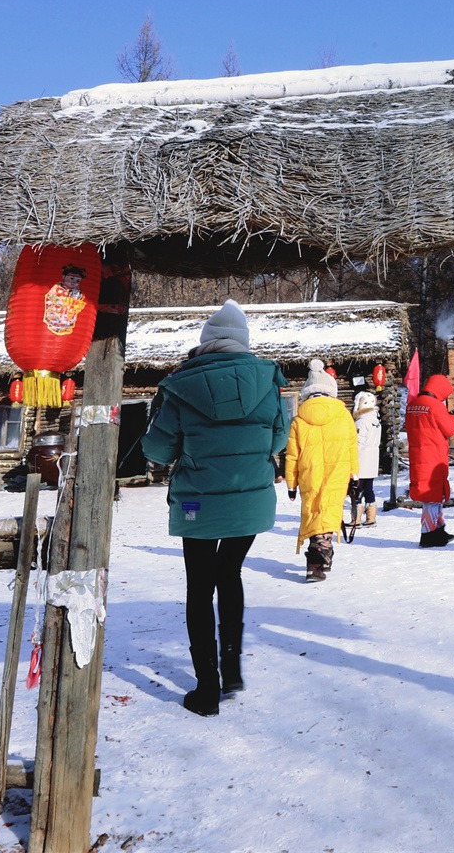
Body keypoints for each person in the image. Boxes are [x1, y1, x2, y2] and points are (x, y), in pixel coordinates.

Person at [141, 299, 290, 716]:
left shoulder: (181, 384)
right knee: (231, 573)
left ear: (206, 342)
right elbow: (278, 441)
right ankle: (232, 668)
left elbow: (157, 447)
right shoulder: (268, 381)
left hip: (196, 503)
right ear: (243, 342)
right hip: (250, 498)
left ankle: (207, 689)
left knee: (199, 586)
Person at [283, 360, 357, 582]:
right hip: (338, 471)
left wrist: (291, 483)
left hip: (309, 473)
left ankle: (315, 561)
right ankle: (322, 550)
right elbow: (352, 447)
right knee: (329, 509)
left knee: (313, 510)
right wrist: (354, 475)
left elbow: (292, 455)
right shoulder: (343, 415)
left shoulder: (299, 419)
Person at [404, 373, 454, 547]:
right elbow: (450, 430)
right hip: (433, 455)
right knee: (432, 495)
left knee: (433, 495)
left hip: (419, 454)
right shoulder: (434, 406)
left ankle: (439, 530)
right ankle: (428, 534)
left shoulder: (412, 404)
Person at [352, 390, 382, 526]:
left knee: (357, 489)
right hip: (372, 459)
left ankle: (356, 519)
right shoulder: (376, 421)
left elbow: (358, 443)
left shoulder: (361, 422)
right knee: (369, 489)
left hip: (361, 460)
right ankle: (371, 518)